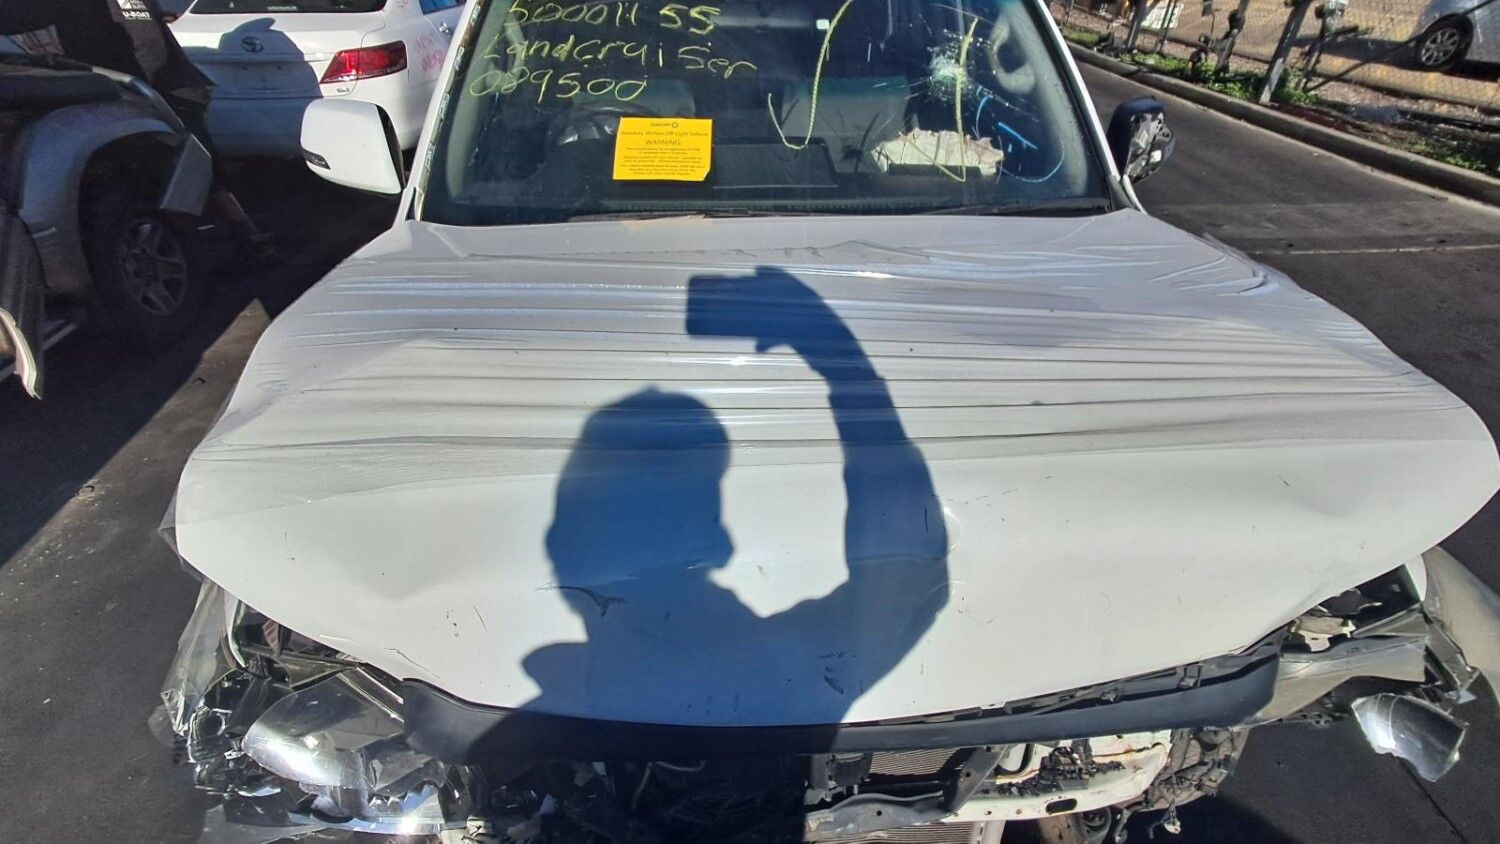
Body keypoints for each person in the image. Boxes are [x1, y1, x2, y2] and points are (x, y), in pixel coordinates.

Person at [0, 0, 273, 257]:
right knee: (148, 175)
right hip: (114, 92)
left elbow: (149, 44)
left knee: (197, 164)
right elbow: (20, 16)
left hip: (162, 90)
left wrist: (140, 91)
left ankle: (246, 234)